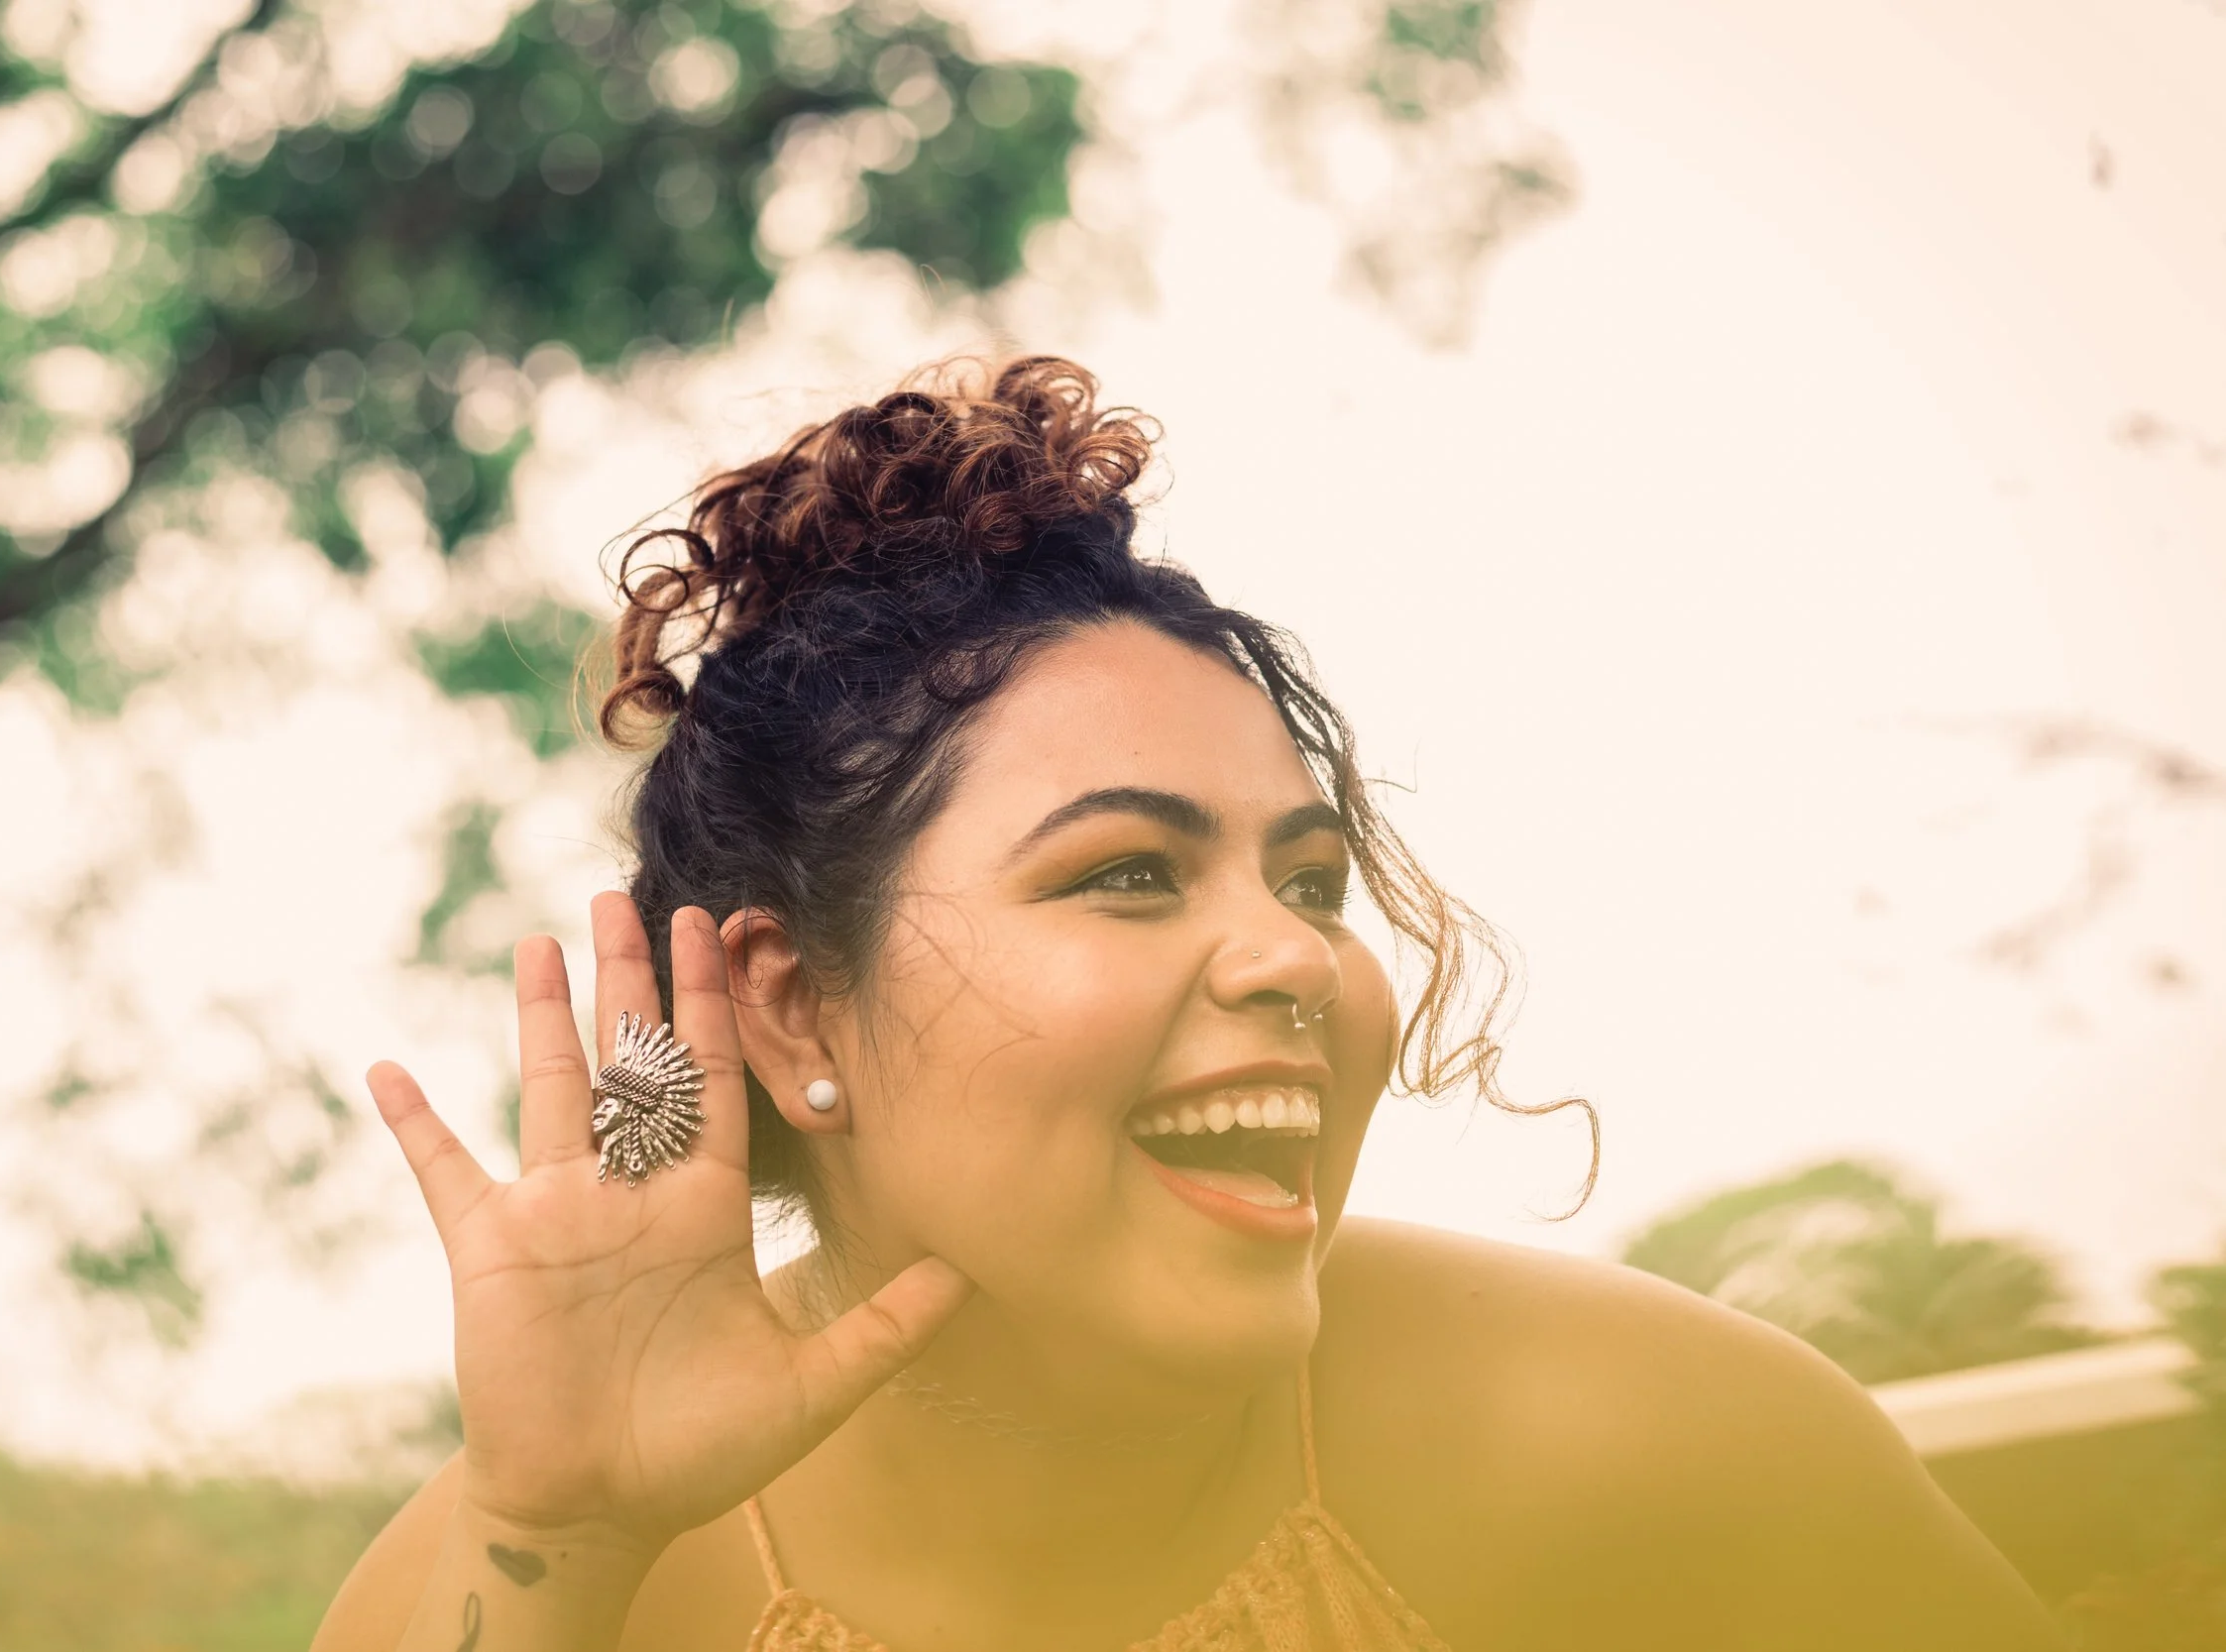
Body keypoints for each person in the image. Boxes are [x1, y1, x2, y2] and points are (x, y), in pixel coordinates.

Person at [311, 358, 2061, 1652]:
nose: (1301, 957)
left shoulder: (1655, 1446)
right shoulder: (546, 1565)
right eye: (1128, 874)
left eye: (1310, 882)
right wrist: (561, 1547)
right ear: (789, 1010)